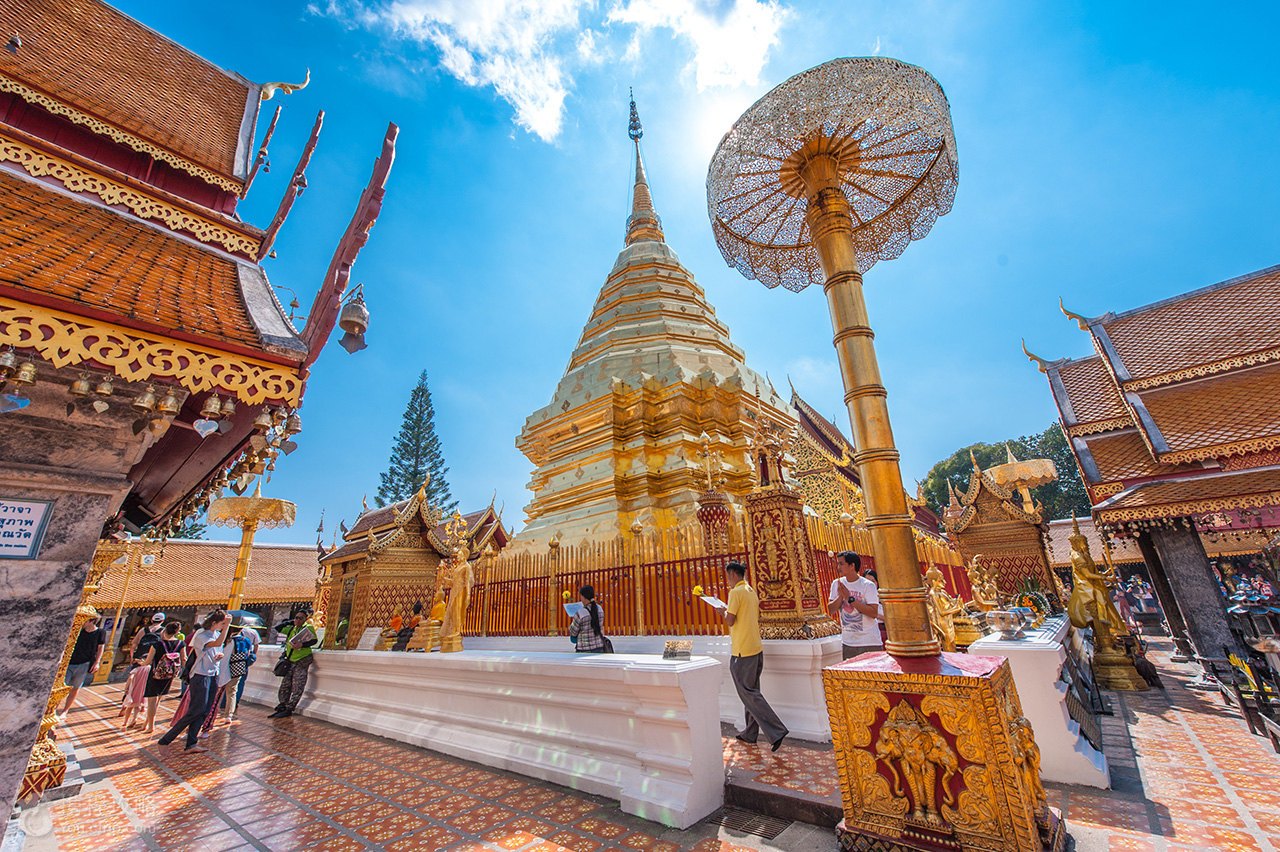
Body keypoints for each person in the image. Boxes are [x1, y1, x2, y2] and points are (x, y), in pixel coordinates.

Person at [722, 561, 788, 751]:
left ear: (733, 574)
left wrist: (721, 611)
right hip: (755, 649)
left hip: (742, 651)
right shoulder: (751, 591)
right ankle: (750, 733)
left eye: (728, 576)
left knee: (748, 693)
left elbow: (730, 620)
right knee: (751, 691)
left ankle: (776, 730)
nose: (728, 580)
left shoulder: (735, 593)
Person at [158, 610, 227, 753]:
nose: (223, 626)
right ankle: (166, 739)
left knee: (205, 710)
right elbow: (217, 643)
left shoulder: (217, 634)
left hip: (213, 673)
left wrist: (219, 656)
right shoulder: (201, 634)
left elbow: (217, 647)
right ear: (214, 623)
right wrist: (228, 625)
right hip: (200, 675)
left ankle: (191, 743)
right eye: (222, 624)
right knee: (196, 710)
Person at [827, 552, 883, 660]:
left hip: (869, 642)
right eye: (838, 564)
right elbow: (831, 609)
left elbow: (873, 612)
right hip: (848, 643)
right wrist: (840, 597)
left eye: (841, 564)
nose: (838, 567)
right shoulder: (837, 584)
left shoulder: (868, 585)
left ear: (852, 566)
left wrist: (850, 599)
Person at [135, 621, 184, 733]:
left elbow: (148, 661)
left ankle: (150, 725)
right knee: (158, 700)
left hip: (156, 674)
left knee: (152, 700)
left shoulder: (157, 644)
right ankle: (146, 723)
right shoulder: (180, 644)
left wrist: (140, 662)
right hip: (169, 674)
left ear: (164, 630)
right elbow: (184, 659)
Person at [271, 608, 317, 718]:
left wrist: (302, 645)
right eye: (296, 617)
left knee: (298, 685)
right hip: (290, 659)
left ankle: (290, 707)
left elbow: (314, 640)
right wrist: (291, 621)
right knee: (285, 684)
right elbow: (277, 628)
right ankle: (282, 705)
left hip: (302, 659)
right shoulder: (292, 628)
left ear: (306, 619)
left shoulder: (308, 627)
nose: (298, 620)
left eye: (300, 618)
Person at [60, 615, 107, 715]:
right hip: (70, 662)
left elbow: (100, 648)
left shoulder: (100, 632)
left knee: (75, 688)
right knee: (61, 688)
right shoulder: (78, 630)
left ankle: (65, 710)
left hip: (84, 663)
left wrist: (97, 662)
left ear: (91, 621)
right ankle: (52, 710)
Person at [223, 620, 257, 723]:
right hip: (239, 667)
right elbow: (250, 652)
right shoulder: (246, 640)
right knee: (232, 692)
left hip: (226, 666)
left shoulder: (228, 641)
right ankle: (229, 714)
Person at [568, 585, 610, 653]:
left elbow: (573, 632)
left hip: (584, 649)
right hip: (599, 646)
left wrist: (570, 626)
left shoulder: (580, 613)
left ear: (583, 597)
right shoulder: (600, 609)